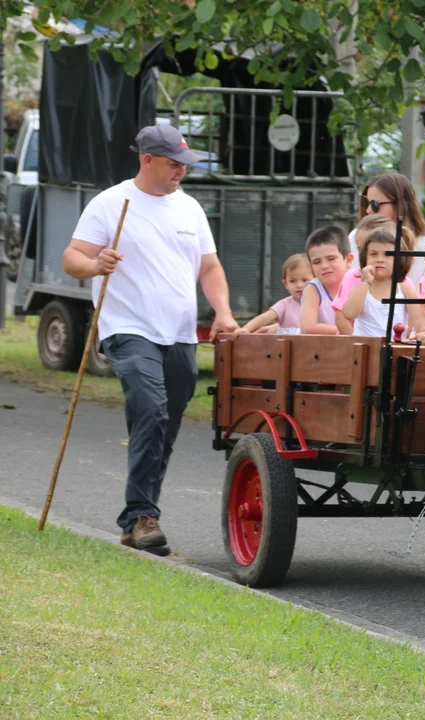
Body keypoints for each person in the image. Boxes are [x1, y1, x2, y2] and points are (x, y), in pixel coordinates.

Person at [61, 124, 238, 556]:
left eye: (184, 164)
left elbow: (210, 268)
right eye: (174, 163)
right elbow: (72, 258)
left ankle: (136, 518)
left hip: (179, 333)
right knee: (151, 408)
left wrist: (223, 311)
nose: (181, 171)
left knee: (164, 424)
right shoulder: (110, 203)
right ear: (147, 160)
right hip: (127, 327)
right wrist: (95, 264)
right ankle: (142, 515)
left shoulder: (190, 208)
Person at [335, 227, 425, 343]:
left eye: (387, 254)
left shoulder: (405, 291)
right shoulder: (360, 289)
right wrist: (366, 282)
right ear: (365, 258)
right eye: (373, 254)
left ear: (399, 259)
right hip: (364, 349)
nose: (379, 259)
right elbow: (349, 313)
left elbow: (417, 318)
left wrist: (424, 331)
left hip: (394, 349)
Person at [351, 173, 425, 286]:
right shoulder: (355, 237)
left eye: (375, 204)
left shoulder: (424, 246)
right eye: (366, 203)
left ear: (400, 205)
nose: (368, 210)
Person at [236, 254, 313, 335]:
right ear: (286, 284)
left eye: (305, 280)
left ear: (316, 281)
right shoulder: (284, 304)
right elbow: (265, 317)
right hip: (287, 342)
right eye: (292, 281)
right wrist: (246, 328)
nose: (299, 285)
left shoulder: (320, 303)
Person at [299, 226, 353, 335]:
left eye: (331, 259)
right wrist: (350, 332)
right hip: (322, 345)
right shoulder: (313, 289)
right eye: (317, 262)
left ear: (348, 260)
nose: (324, 266)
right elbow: (308, 328)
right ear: (311, 266)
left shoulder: (360, 283)